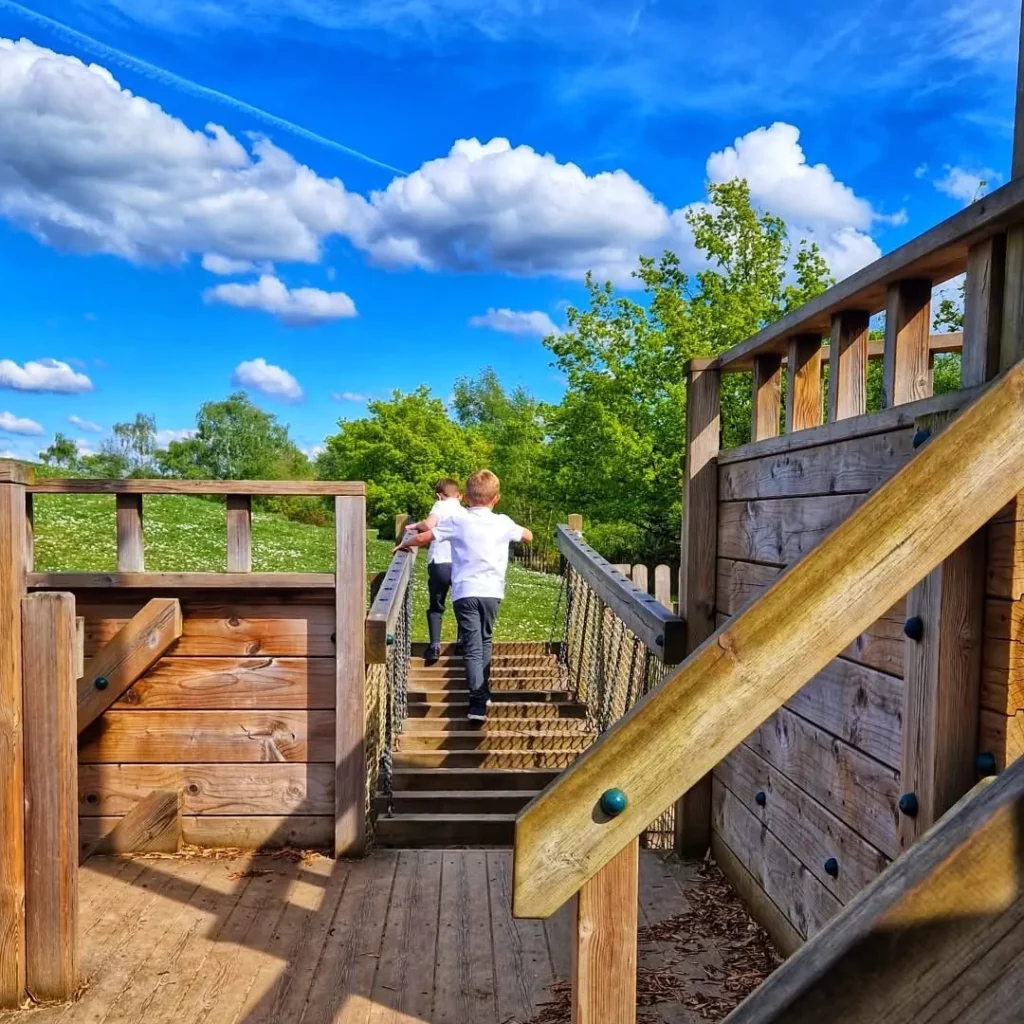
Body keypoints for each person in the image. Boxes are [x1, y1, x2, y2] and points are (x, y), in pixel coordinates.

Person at [396, 470, 532, 721]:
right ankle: (483, 691)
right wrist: (512, 531)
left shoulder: (458, 521)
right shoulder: (502, 522)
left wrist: (406, 543)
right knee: (485, 639)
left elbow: (426, 536)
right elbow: (527, 535)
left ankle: (477, 702)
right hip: (492, 592)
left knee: (472, 645)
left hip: (465, 592)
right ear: (496, 499)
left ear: (466, 497)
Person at [409, 478, 465, 665]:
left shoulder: (439, 506)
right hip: (460, 564)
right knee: (461, 604)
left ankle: (434, 646)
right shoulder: (465, 512)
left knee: (436, 605)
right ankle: (462, 642)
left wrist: (417, 525)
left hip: (440, 562)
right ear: (460, 496)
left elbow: (429, 525)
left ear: (439, 495)